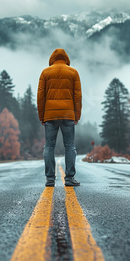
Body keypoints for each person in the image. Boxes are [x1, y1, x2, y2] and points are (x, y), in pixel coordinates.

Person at [37, 48, 82, 187]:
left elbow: (40, 97)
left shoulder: (45, 72)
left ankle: (50, 179)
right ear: (66, 58)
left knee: (49, 147)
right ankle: (69, 178)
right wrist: (77, 116)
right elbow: (78, 97)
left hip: (50, 116)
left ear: (52, 58)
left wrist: (42, 117)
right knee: (69, 146)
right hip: (68, 115)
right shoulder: (73, 72)